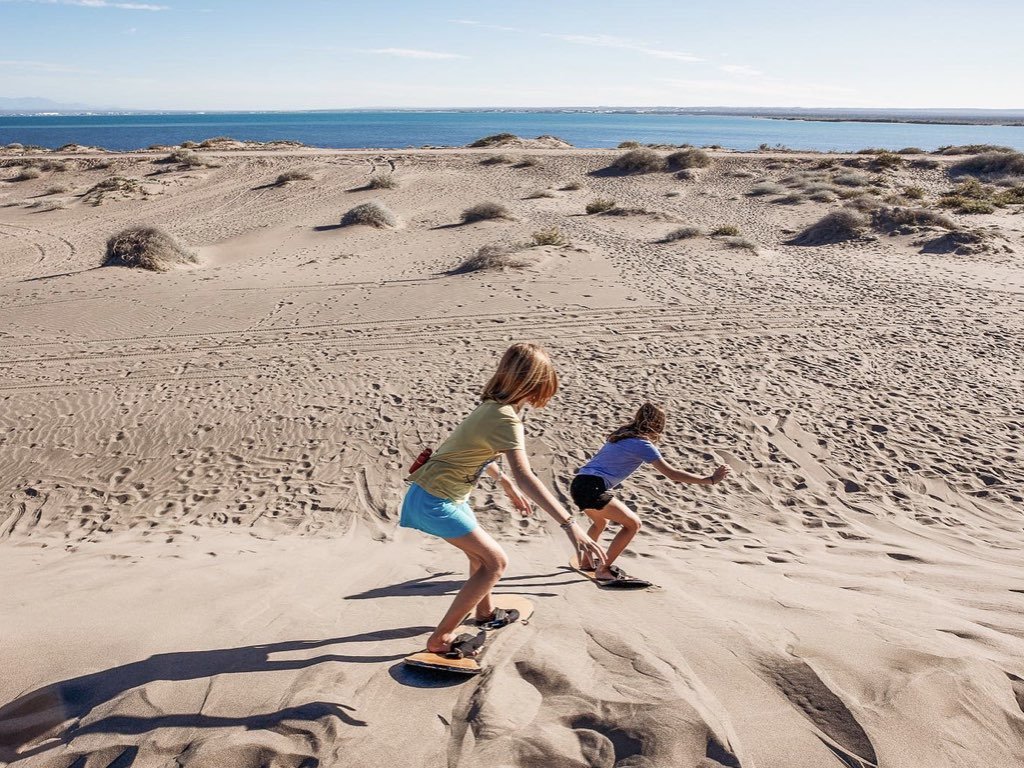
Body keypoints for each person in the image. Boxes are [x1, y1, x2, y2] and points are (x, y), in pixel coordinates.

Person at [402, 343, 606, 656]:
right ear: (536, 383)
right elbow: (528, 477)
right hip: (435, 499)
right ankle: (440, 639)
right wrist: (569, 525)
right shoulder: (506, 418)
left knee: (479, 557)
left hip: (443, 495)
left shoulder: (490, 408)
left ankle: (483, 613)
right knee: (496, 563)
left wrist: (506, 484)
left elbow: (476, 451)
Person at [570, 402, 730, 584]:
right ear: (658, 425)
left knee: (600, 522)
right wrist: (709, 479)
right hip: (593, 487)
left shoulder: (620, 436)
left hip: (578, 482)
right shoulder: (643, 444)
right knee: (633, 525)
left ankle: (586, 561)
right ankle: (603, 569)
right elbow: (672, 474)